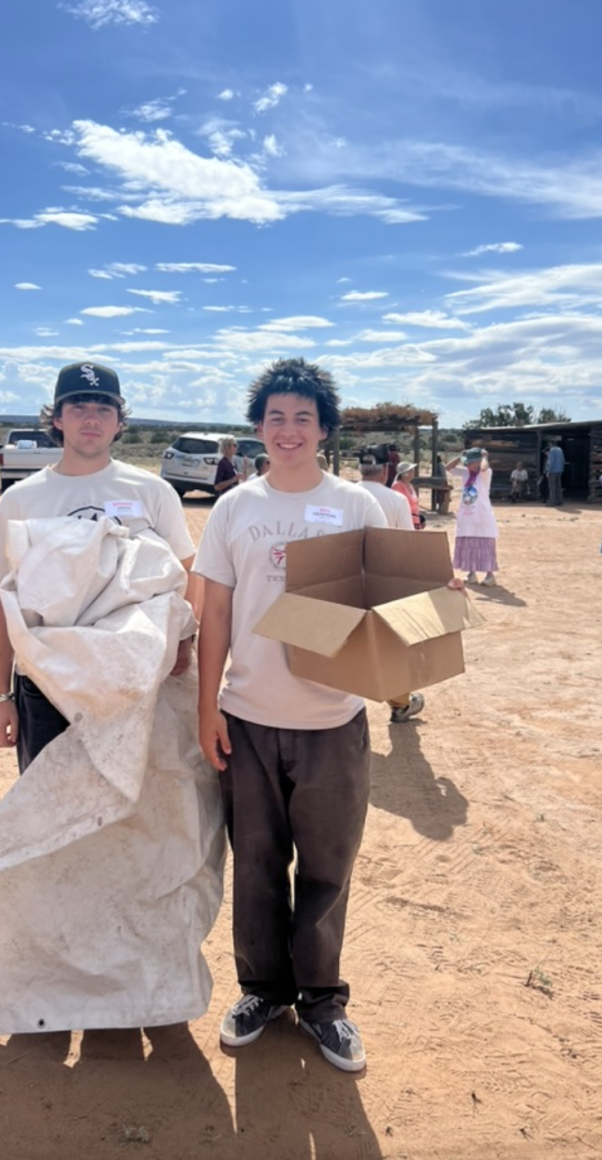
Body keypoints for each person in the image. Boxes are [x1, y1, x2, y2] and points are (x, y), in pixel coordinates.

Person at [195, 357, 388, 1073]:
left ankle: (323, 1002)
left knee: (328, 870)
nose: (288, 430)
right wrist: (207, 706)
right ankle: (263, 991)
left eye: (303, 417)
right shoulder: (234, 508)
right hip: (247, 717)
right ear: (257, 428)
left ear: (324, 429)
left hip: (333, 720)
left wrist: (433, 603)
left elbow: (389, 605)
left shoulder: (358, 506)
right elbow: (215, 613)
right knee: (256, 865)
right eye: (275, 417)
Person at [0, 361, 198, 771]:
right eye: (78, 407)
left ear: (119, 422)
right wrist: (1, 697)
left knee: (137, 801)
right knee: (50, 801)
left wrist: (184, 641)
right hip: (46, 685)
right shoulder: (21, 500)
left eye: (103, 408)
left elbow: (188, 574)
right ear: (57, 418)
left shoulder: (152, 492)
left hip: (132, 681)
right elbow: (4, 600)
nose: (91, 419)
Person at [358, 459, 425, 725]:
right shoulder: (396, 499)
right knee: (391, 645)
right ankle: (400, 703)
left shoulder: (344, 495)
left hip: (349, 578)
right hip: (385, 580)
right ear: (386, 471)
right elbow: (406, 541)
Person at [447, 448, 499, 585]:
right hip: (467, 516)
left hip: (482, 516)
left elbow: (484, 468)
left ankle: (489, 575)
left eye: (471, 463)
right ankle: (471, 573)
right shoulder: (466, 473)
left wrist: (485, 457)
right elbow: (448, 467)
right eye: (467, 463)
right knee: (469, 544)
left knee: (485, 545)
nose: (468, 465)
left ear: (478, 462)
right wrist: (460, 456)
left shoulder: (485, 474)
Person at [392, 461, 425, 529]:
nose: (414, 472)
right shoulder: (397, 486)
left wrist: (420, 517)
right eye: (411, 470)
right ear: (405, 474)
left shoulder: (410, 486)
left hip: (415, 521)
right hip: (405, 522)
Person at [545, 438, 565, 506]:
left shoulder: (552, 450)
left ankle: (552, 502)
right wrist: (562, 469)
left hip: (553, 470)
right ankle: (559, 501)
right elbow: (563, 460)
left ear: (551, 444)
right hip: (559, 470)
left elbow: (551, 462)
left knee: (552, 487)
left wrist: (548, 471)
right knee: (558, 486)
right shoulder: (560, 449)